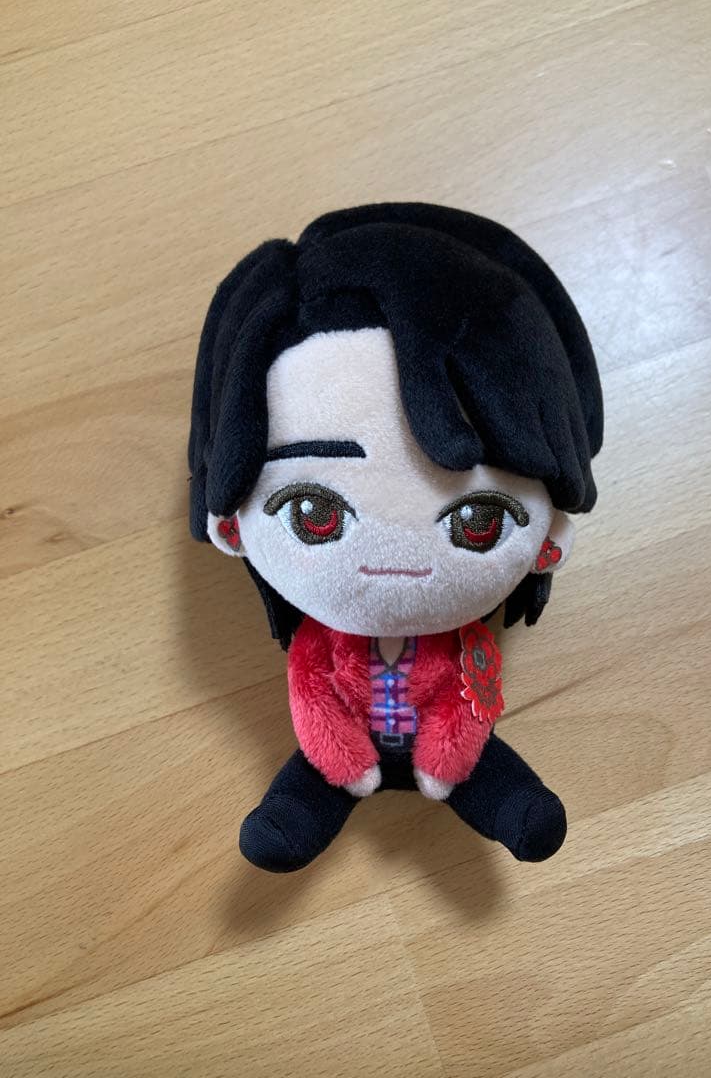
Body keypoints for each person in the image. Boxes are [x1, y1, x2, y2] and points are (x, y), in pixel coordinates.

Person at [188, 202, 603, 871]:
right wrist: (344, 763)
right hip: (345, 752)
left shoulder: (466, 646)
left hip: (447, 749)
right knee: (298, 802)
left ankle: (505, 804)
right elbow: (313, 697)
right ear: (231, 525)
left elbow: (469, 703)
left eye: (478, 521)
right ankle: (305, 812)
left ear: (549, 540)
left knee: (503, 787)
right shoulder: (325, 644)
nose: (395, 567)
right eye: (314, 513)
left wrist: (446, 761)